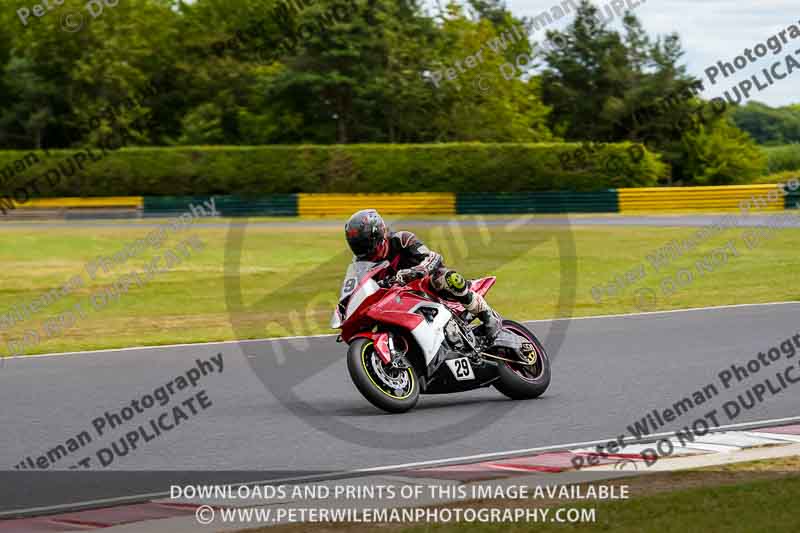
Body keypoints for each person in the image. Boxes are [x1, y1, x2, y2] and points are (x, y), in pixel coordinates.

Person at [344, 209, 502, 339]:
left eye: (365, 244)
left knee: (443, 277)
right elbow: (357, 288)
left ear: (377, 235)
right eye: (358, 246)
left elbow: (433, 258)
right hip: (398, 301)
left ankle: (486, 314)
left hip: (426, 288)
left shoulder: (401, 239)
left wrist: (417, 270)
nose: (363, 249)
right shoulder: (360, 264)